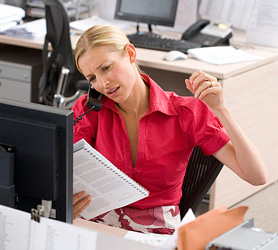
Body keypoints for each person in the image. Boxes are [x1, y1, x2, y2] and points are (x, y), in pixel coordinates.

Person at [72, 24, 267, 234]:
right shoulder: (88, 109)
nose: (102, 83)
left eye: (106, 68)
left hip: (155, 230)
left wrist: (220, 109)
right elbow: (67, 171)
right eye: (92, 78)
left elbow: (257, 176)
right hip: (96, 220)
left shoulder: (185, 113)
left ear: (130, 53)